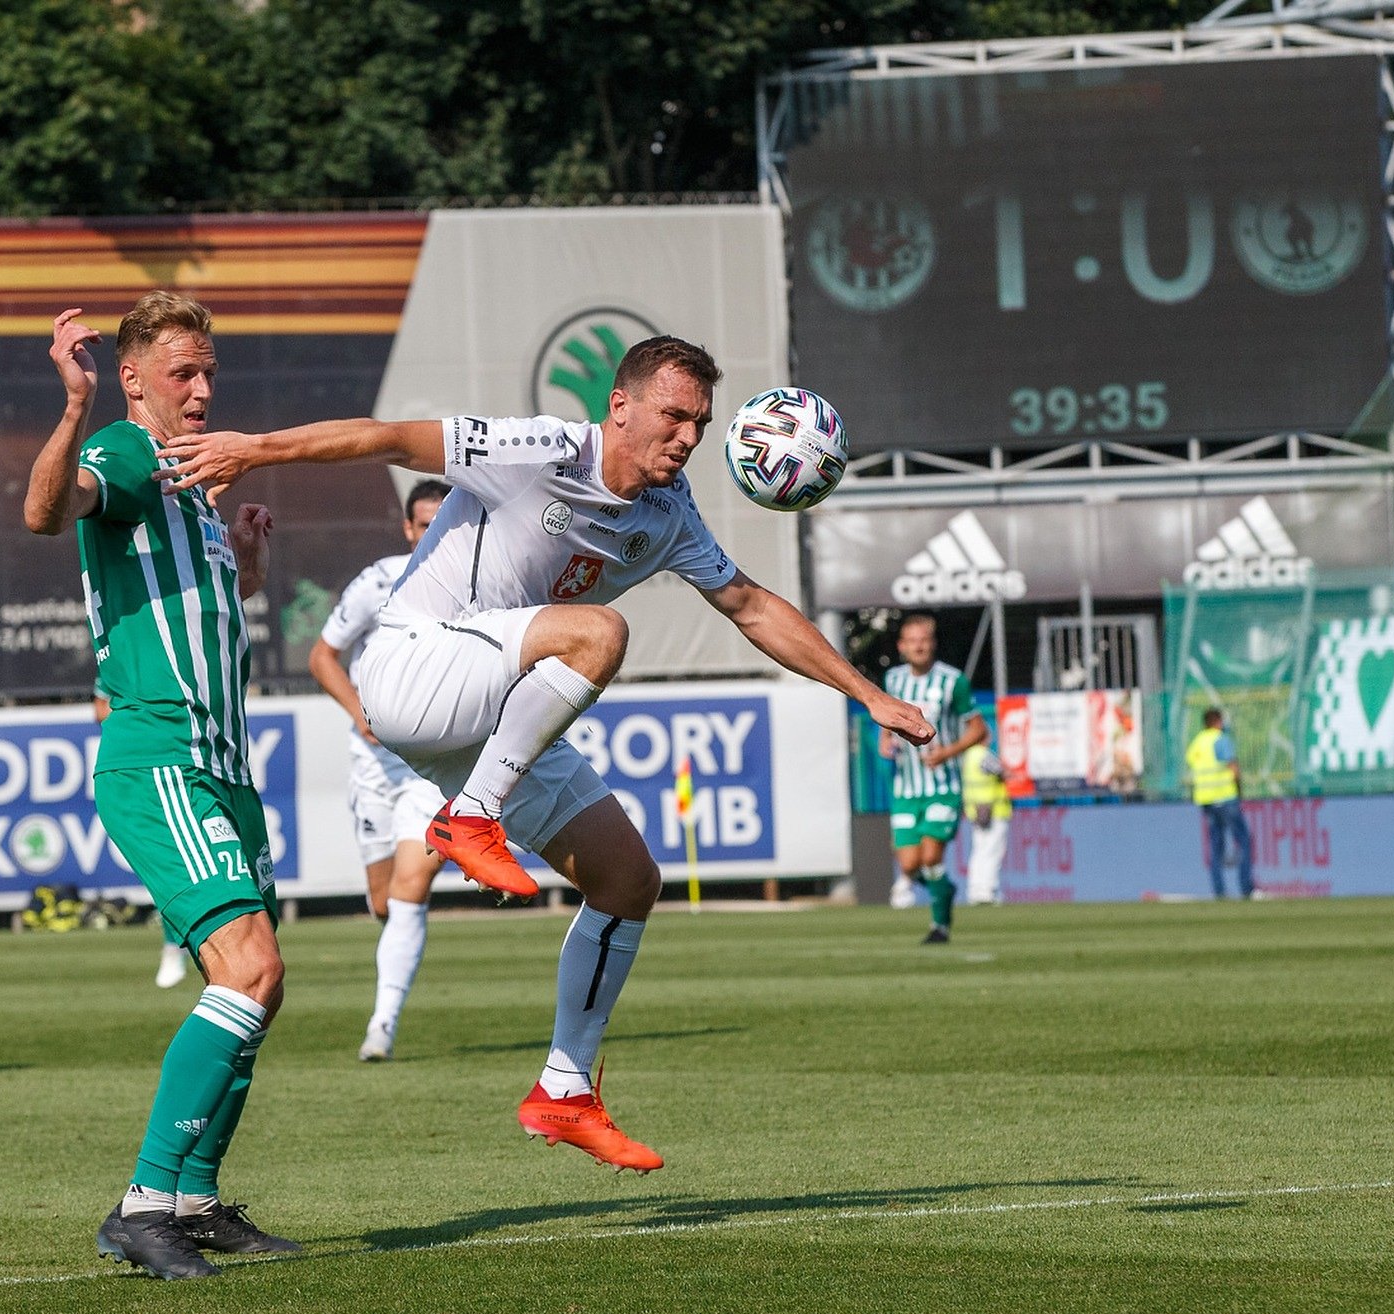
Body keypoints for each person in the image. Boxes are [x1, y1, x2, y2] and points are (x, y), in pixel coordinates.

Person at [154, 335, 933, 1170]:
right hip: (412, 665)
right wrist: (255, 448)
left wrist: (868, 694)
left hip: (490, 716)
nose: (687, 436)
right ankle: (471, 817)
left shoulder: (668, 514)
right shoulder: (540, 450)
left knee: (628, 880)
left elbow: (749, 606)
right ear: (620, 406)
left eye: (701, 424)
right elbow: (387, 437)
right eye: (673, 415)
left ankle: (564, 1086)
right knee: (600, 632)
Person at [24, 298, 295, 1279]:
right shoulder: (129, 452)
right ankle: (143, 1205)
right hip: (162, 757)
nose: (204, 388)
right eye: (184, 372)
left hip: (224, 768)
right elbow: (46, 511)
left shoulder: (194, 489)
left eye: (209, 371)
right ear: (134, 380)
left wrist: (247, 568)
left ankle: (193, 1199)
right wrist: (75, 407)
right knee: (248, 969)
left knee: (260, 984)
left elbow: (202, 608)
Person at [307, 479, 452, 1062]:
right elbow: (323, 656)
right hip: (374, 764)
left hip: (434, 766)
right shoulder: (378, 582)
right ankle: (395, 961)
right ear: (408, 528)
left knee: (411, 888)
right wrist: (359, 711)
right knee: (384, 901)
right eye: (425, 524)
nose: (434, 533)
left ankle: (382, 1024)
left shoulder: (483, 581)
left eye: (445, 522)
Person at [879, 614, 989, 943]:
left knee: (930, 856)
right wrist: (885, 738)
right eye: (912, 641)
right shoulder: (893, 680)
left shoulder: (953, 681)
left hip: (942, 786)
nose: (919, 646)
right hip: (906, 788)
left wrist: (947, 753)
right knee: (909, 863)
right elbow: (887, 718)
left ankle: (940, 925)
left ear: (933, 644)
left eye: (924, 640)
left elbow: (979, 730)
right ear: (901, 646)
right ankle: (944, 889)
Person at [93, 681, 196, 988]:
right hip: (145, 766)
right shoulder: (116, 661)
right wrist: (139, 717)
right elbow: (100, 709)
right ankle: (173, 945)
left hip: (196, 760)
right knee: (169, 866)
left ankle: (200, 943)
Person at [1186, 708, 1254, 900]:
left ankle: (1219, 891)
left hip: (1206, 800)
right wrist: (1239, 789)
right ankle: (1246, 888)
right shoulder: (1220, 740)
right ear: (1217, 721)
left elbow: (1193, 765)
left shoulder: (1197, 743)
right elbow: (1233, 767)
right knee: (1243, 840)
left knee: (1216, 847)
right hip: (1225, 797)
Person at [960, 737, 1011, 907]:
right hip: (993, 810)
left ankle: (975, 890)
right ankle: (988, 890)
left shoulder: (968, 756)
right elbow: (1002, 772)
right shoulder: (983, 755)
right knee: (992, 851)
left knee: (979, 851)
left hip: (976, 810)